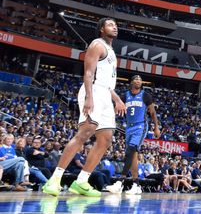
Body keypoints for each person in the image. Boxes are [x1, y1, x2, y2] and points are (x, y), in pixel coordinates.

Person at [43, 18, 126, 197]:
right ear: (101, 29)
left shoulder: (111, 50)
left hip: (105, 94)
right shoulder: (97, 44)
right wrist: (89, 97)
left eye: (116, 25)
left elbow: (108, 84)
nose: (115, 27)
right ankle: (54, 179)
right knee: (85, 133)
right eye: (111, 24)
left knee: (106, 139)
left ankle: (81, 181)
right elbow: (88, 73)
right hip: (93, 91)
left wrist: (117, 100)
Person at [111, 74, 161, 195]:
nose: (139, 81)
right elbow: (115, 108)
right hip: (129, 127)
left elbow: (153, 113)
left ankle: (120, 182)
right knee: (132, 156)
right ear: (131, 82)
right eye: (136, 79)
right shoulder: (125, 96)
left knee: (131, 150)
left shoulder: (145, 95)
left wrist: (156, 128)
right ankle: (136, 185)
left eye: (140, 79)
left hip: (141, 126)